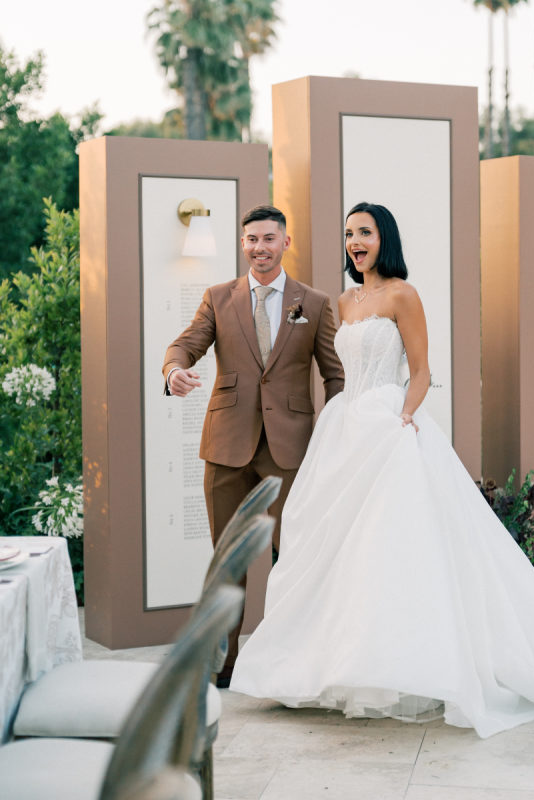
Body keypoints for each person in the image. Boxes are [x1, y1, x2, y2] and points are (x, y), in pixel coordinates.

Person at [230, 201, 534, 738]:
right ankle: (338, 666)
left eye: (366, 232)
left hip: (389, 427)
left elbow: (422, 371)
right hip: (344, 430)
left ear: (385, 238)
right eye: (350, 233)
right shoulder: (344, 300)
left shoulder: (404, 294)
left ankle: (408, 667)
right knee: (337, 548)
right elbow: (339, 371)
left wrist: (402, 417)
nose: (356, 242)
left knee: (388, 547)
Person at [162, 204, 344, 687]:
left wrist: (337, 434)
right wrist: (174, 370)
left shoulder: (315, 302)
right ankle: (221, 665)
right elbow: (186, 344)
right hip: (225, 447)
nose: (259, 248)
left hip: (291, 449)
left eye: (268, 238)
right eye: (251, 240)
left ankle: (294, 659)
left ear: (285, 242)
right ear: (243, 244)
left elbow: (336, 374)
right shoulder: (218, 298)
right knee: (228, 559)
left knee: (295, 557)